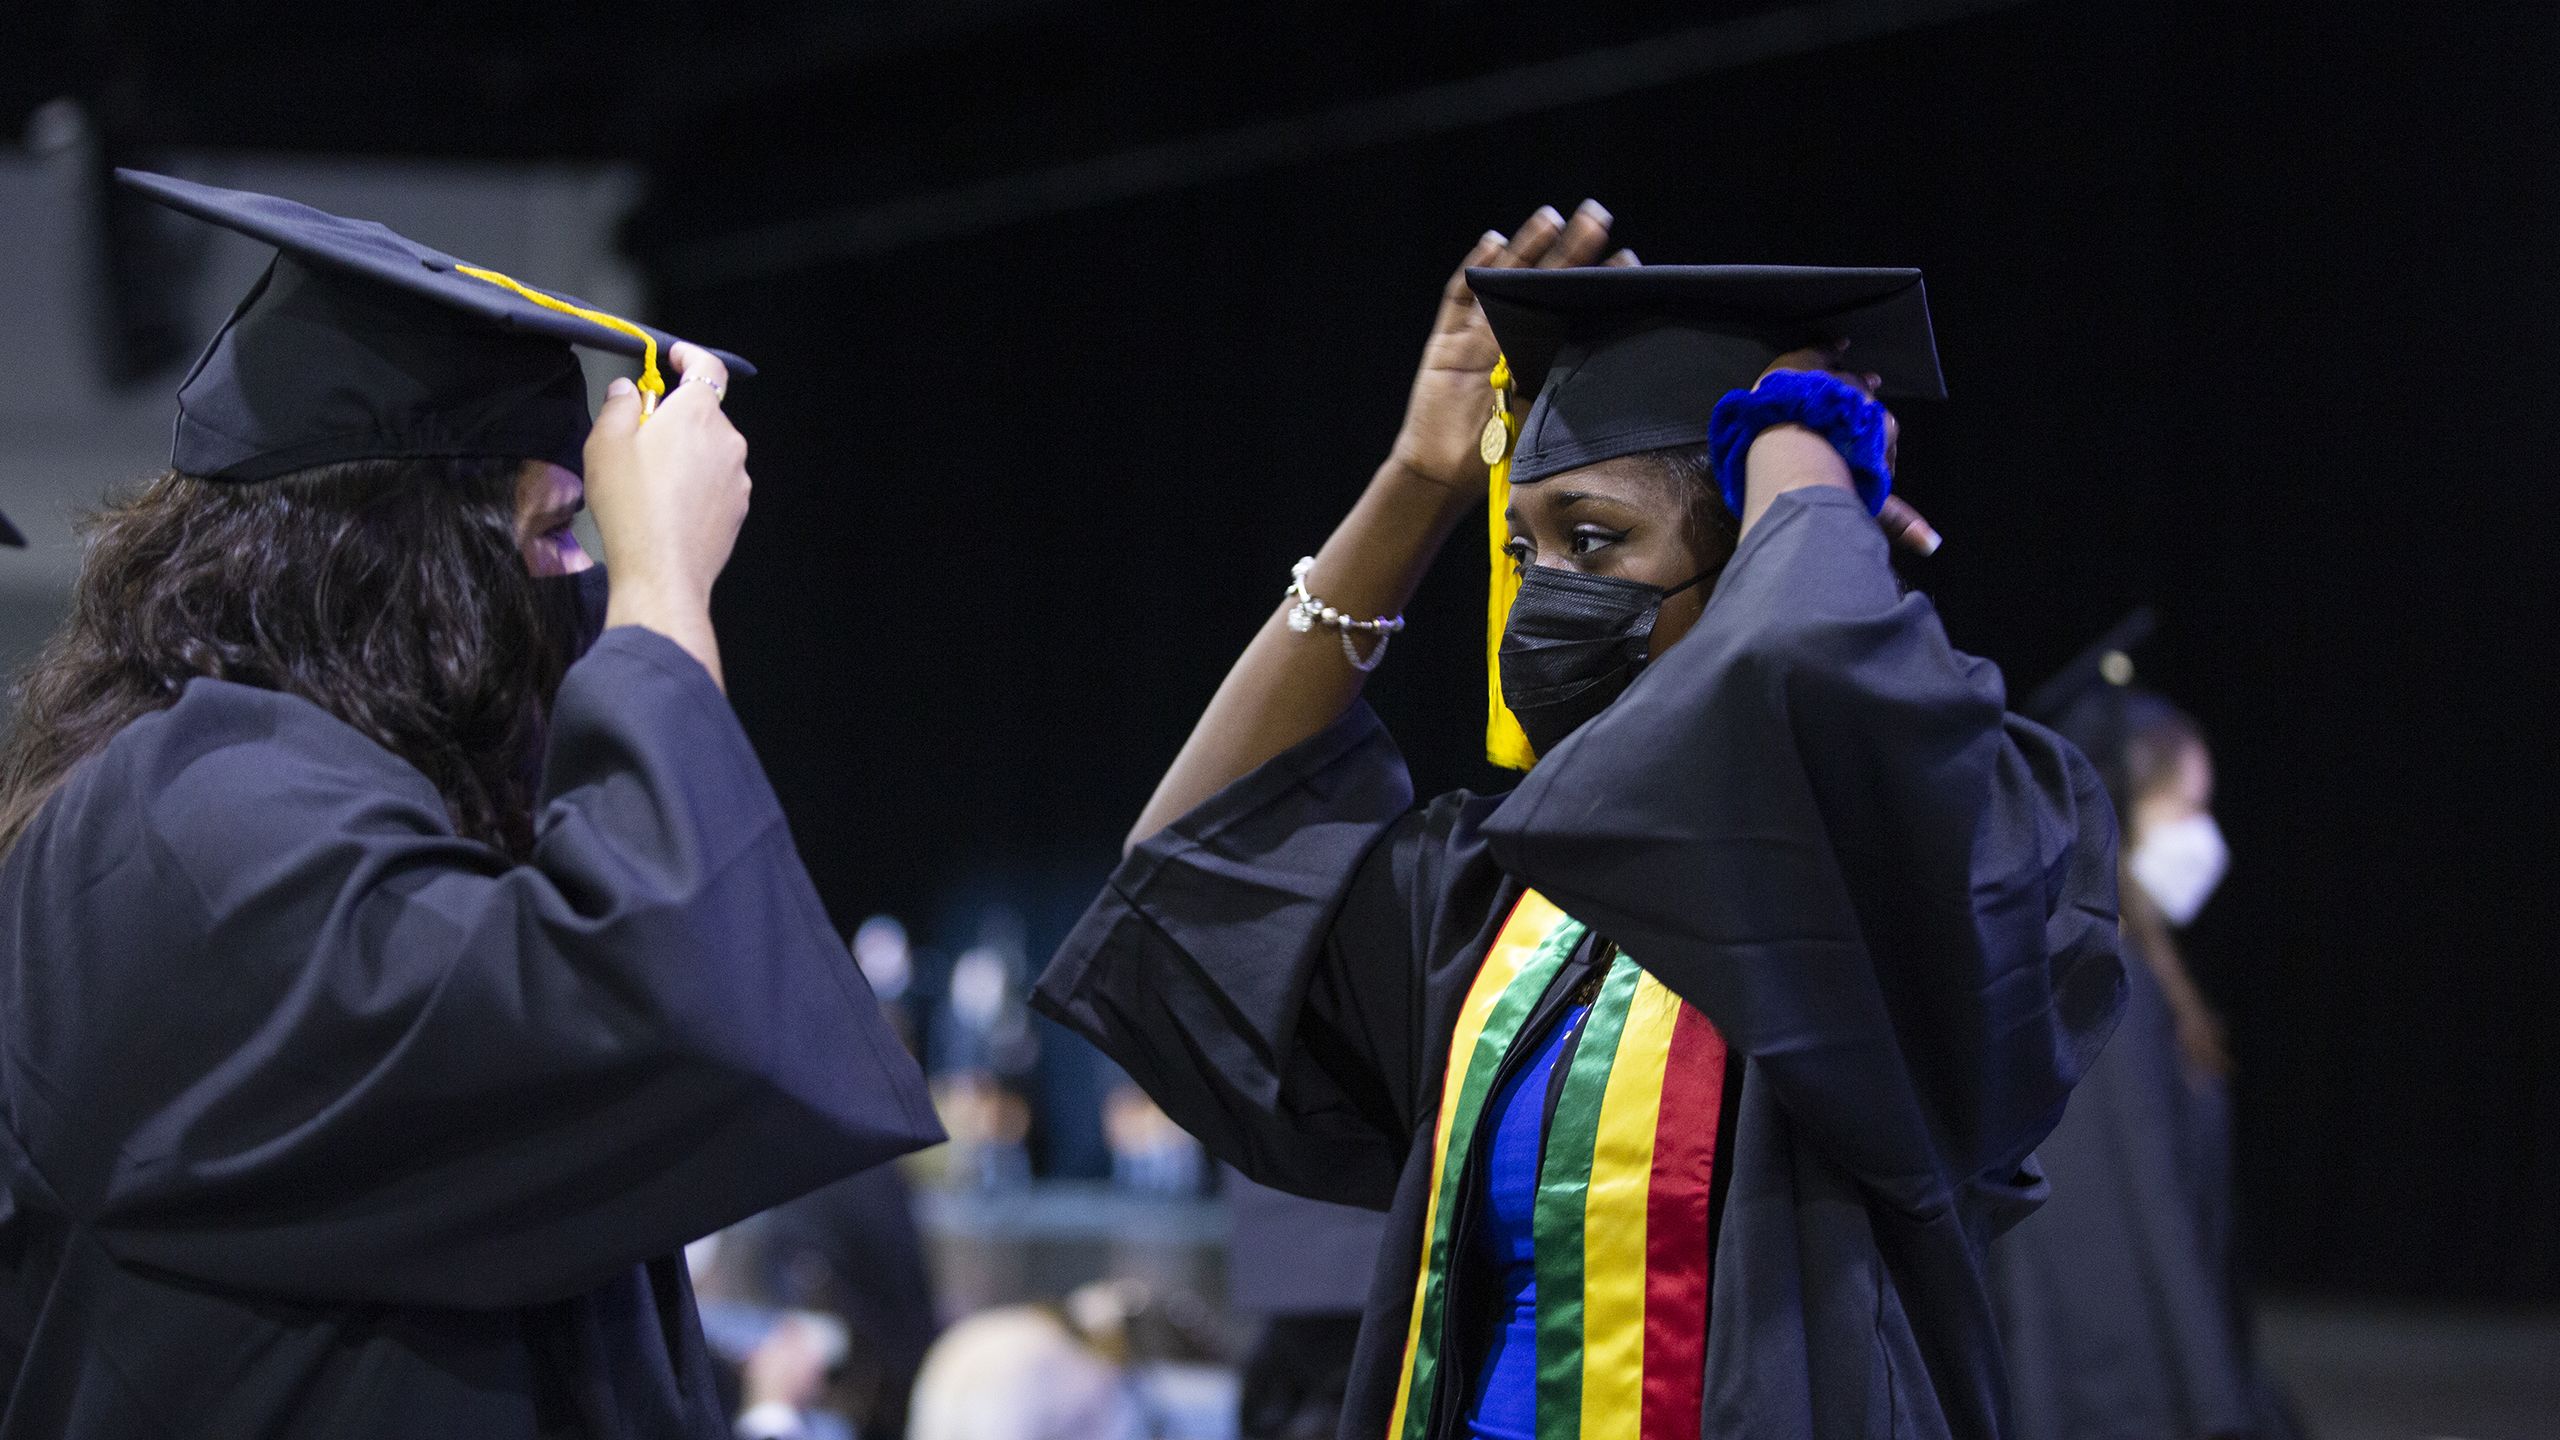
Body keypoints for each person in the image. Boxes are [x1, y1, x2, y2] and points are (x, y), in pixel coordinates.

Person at [1033, 202, 2125, 1440]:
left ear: (1756, 561)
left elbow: (1809, 676)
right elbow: (1191, 872)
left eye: (1594, 542)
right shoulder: (1506, 907)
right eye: (1523, 546)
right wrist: (1416, 490)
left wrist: (1796, 446)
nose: (1542, 594)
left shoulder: (1932, 856)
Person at [0, 171, 943, 1439]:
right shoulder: (192, 827)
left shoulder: (299, 800)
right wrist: (665, 583)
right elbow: (661, 1009)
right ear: (404, 564)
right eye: (557, 534)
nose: (582, 590)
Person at [1990, 621, 2305, 1440]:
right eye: (2189, 805)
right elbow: (2111, 1254)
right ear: (2124, 808)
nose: (2203, 837)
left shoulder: (2135, 966)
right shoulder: (2090, 988)